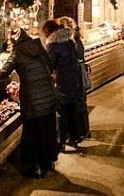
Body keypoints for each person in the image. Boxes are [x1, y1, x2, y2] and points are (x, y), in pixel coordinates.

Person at [0, 27, 59, 178]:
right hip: (48, 96)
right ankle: (48, 162)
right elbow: (50, 65)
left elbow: (2, 73)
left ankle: (36, 167)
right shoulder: (39, 47)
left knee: (33, 132)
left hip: (33, 99)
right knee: (48, 129)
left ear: (14, 41)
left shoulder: (17, 53)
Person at [42, 18, 84, 154]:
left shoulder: (53, 45)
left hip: (63, 81)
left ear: (48, 31)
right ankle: (75, 138)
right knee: (72, 109)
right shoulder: (69, 40)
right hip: (74, 79)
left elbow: (49, 64)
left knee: (62, 112)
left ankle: (60, 142)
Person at [59, 16, 90, 141]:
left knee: (76, 105)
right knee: (78, 104)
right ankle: (81, 131)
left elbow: (75, 57)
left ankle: (80, 132)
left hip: (74, 77)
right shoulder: (74, 39)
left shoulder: (72, 41)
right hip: (74, 77)